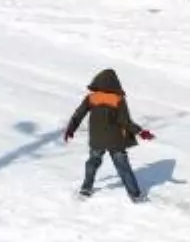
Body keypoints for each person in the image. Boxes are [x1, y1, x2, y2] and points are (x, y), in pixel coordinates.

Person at [64, 69, 153, 202]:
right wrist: (140, 132)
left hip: (97, 139)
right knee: (123, 167)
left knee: (92, 163)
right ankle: (135, 195)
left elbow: (79, 114)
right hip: (115, 140)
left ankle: (86, 189)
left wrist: (71, 129)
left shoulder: (92, 97)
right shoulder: (118, 99)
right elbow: (125, 121)